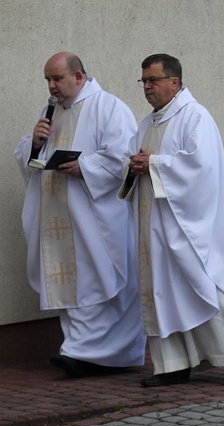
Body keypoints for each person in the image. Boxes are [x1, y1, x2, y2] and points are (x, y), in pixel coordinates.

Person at [118, 54, 224, 386]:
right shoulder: (147, 123)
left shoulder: (195, 117)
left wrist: (155, 165)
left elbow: (202, 167)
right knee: (160, 291)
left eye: (153, 80)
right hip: (152, 223)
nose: (146, 87)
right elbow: (137, 160)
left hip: (185, 224)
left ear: (173, 82)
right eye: (143, 81)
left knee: (199, 286)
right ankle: (171, 364)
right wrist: (132, 165)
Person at [13, 52, 145, 377]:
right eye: (48, 80)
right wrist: (34, 142)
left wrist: (85, 167)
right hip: (61, 220)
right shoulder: (52, 113)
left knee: (96, 281)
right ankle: (77, 350)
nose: (51, 86)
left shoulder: (108, 107)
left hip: (95, 220)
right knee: (70, 285)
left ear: (79, 77)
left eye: (56, 79)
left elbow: (123, 155)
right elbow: (28, 157)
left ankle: (103, 354)